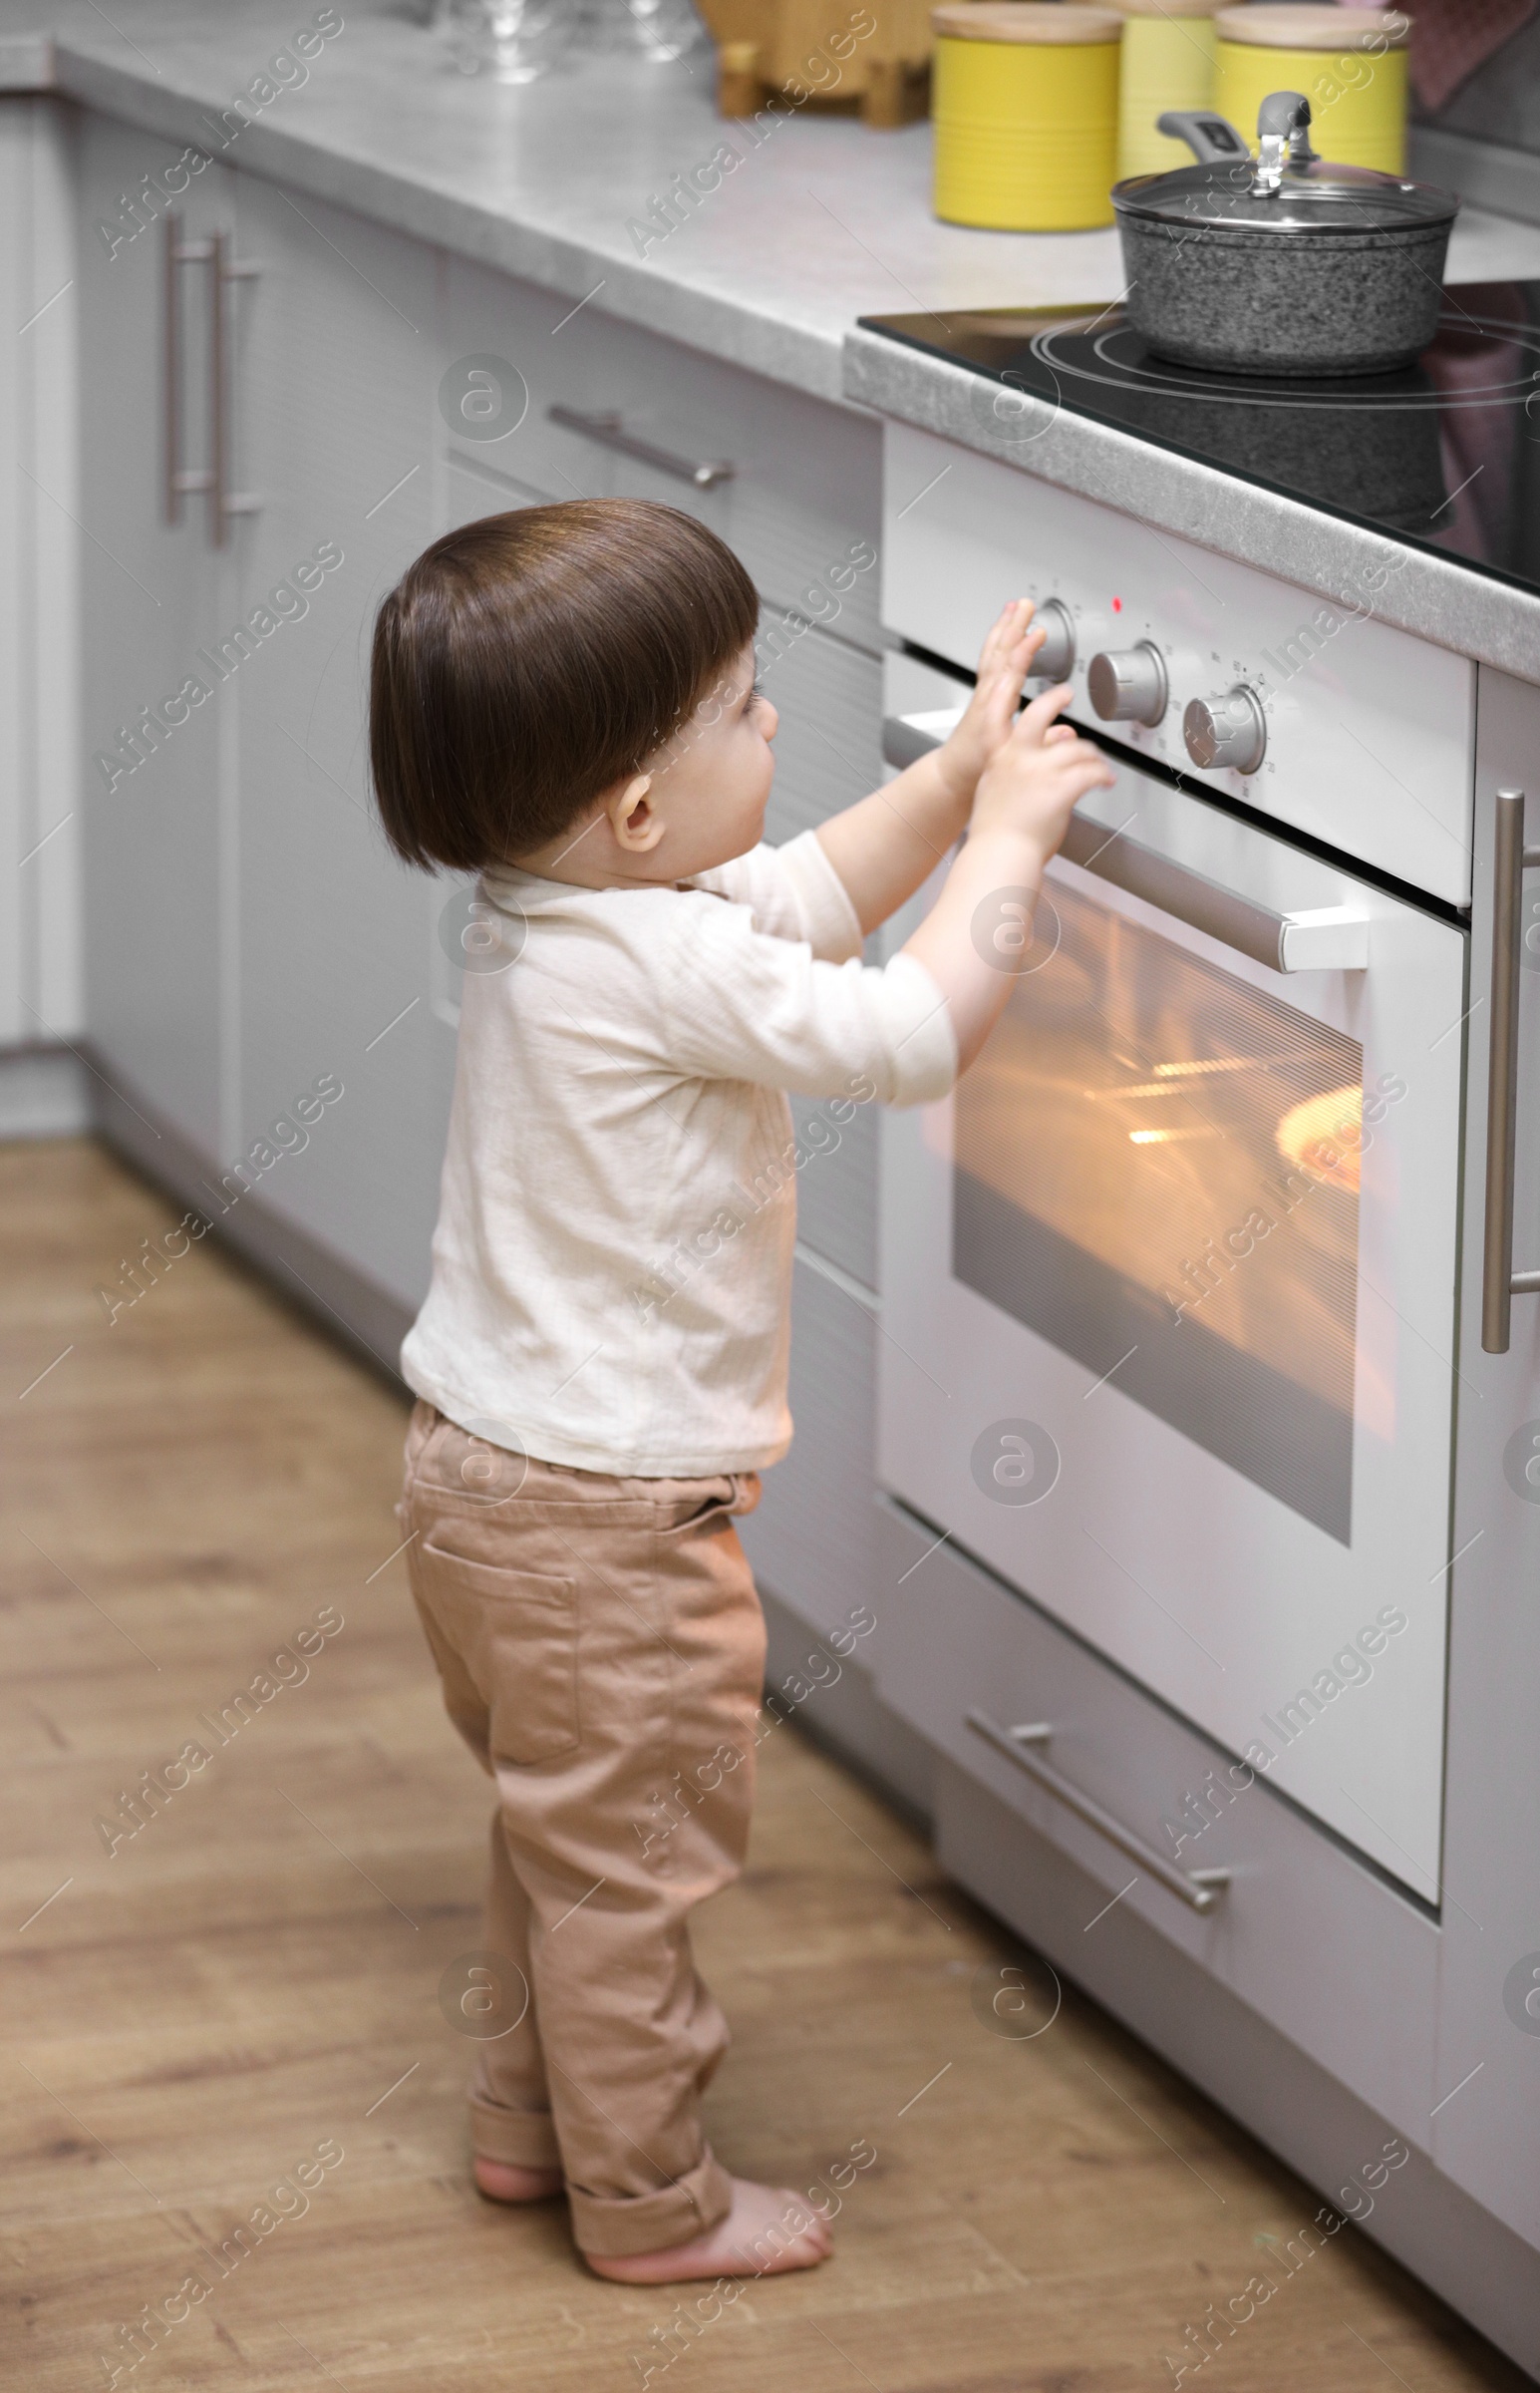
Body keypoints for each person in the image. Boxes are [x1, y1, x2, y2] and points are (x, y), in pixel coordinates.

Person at [368, 499, 1111, 2285]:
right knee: (632, 1877)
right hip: (611, 1535)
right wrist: (1012, 847)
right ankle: (653, 2210)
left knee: (560, 1838)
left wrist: (950, 782)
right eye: (746, 706)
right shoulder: (673, 955)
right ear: (640, 809)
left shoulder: (565, 912)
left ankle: (529, 2130)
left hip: (478, 1494)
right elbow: (913, 1035)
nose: (775, 724)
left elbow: (816, 890)